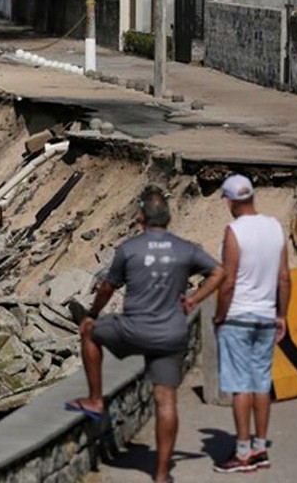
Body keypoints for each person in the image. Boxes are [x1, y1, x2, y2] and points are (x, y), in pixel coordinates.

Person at [65, 185, 225, 483]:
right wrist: (195, 298)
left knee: (89, 332)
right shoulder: (185, 248)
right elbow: (220, 273)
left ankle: (96, 399)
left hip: (134, 330)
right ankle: (162, 474)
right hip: (171, 335)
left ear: (140, 217)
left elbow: (107, 287)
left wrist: (92, 316)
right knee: (166, 402)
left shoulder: (129, 249)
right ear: (168, 217)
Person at [184, 174, 290, 473]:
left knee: (241, 387)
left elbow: (228, 282)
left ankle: (243, 452)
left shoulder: (234, 232)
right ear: (252, 196)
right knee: (261, 384)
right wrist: (281, 314)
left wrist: (220, 316)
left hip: (239, 318)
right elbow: (284, 277)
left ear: (230, 201)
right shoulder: (274, 227)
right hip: (267, 317)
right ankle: (260, 448)